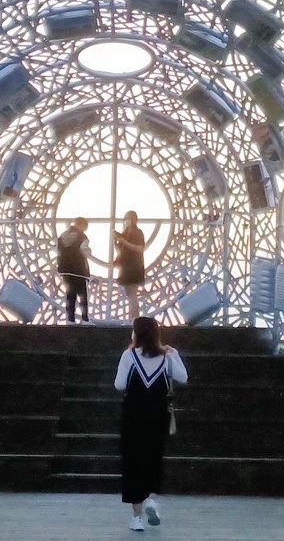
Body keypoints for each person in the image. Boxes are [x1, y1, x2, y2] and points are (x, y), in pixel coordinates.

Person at [114, 316, 185, 532]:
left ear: (137, 334)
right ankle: (152, 499)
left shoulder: (129, 355)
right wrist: (175, 354)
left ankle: (136, 518)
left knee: (133, 463)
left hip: (133, 418)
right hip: (157, 418)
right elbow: (183, 377)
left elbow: (119, 384)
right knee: (154, 458)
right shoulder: (166, 358)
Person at [56, 218, 93, 323]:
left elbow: (58, 251)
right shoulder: (82, 236)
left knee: (70, 295)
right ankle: (84, 319)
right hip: (78, 270)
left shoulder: (63, 235)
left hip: (65, 270)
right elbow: (84, 251)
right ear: (82, 225)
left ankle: (70, 319)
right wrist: (89, 251)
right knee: (82, 295)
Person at [114, 212, 146, 320]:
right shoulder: (126, 233)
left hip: (134, 267)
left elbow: (139, 248)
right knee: (130, 294)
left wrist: (124, 242)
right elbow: (121, 250)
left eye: (127, 219)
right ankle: (132, 318)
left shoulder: (137, 233)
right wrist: (117, 241)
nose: (125, 221)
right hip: (127, 268)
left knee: (132, 294)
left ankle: (133, 319)